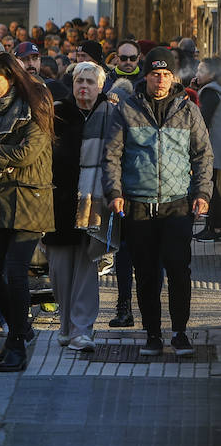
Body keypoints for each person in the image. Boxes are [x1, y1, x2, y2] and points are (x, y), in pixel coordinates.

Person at [103, 47, 212, 357]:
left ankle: (179, 332)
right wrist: (115, 193)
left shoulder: (188, 109)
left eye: (165, 74)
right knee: (146, 273)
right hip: (138, 203)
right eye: (154, 74)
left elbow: (203, 154)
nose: (160, 80)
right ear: (145, 75)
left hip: (177, 203)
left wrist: (203, 194)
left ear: (173, 76)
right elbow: (112, 154)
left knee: (179, 269)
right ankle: (152, 333)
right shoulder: (127, 108)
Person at [0, 51, 55, 373]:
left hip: (30, 200)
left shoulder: (35, 105)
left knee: (16, 270)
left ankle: (17, 341)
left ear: (11, 78)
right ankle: (23, 329)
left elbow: (26, 153)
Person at [44, 62, 111, 352]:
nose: (83, 86)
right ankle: (66, 326)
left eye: (90, 82)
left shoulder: (110, 113)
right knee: (59, 270)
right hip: (59, 201)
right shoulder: (57, 112)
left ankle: (82, 329)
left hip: (93, 201)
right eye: (79, 80)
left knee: (86, 267)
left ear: (100, 86)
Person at [195, 56, 221, 242]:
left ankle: (214, 228)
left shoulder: (209, 92)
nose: (197, 74)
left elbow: (201, 119)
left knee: (213, 188)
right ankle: (211, 226)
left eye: (201, 71)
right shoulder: (213, 89)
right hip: (216, 146)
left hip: (214, 147)